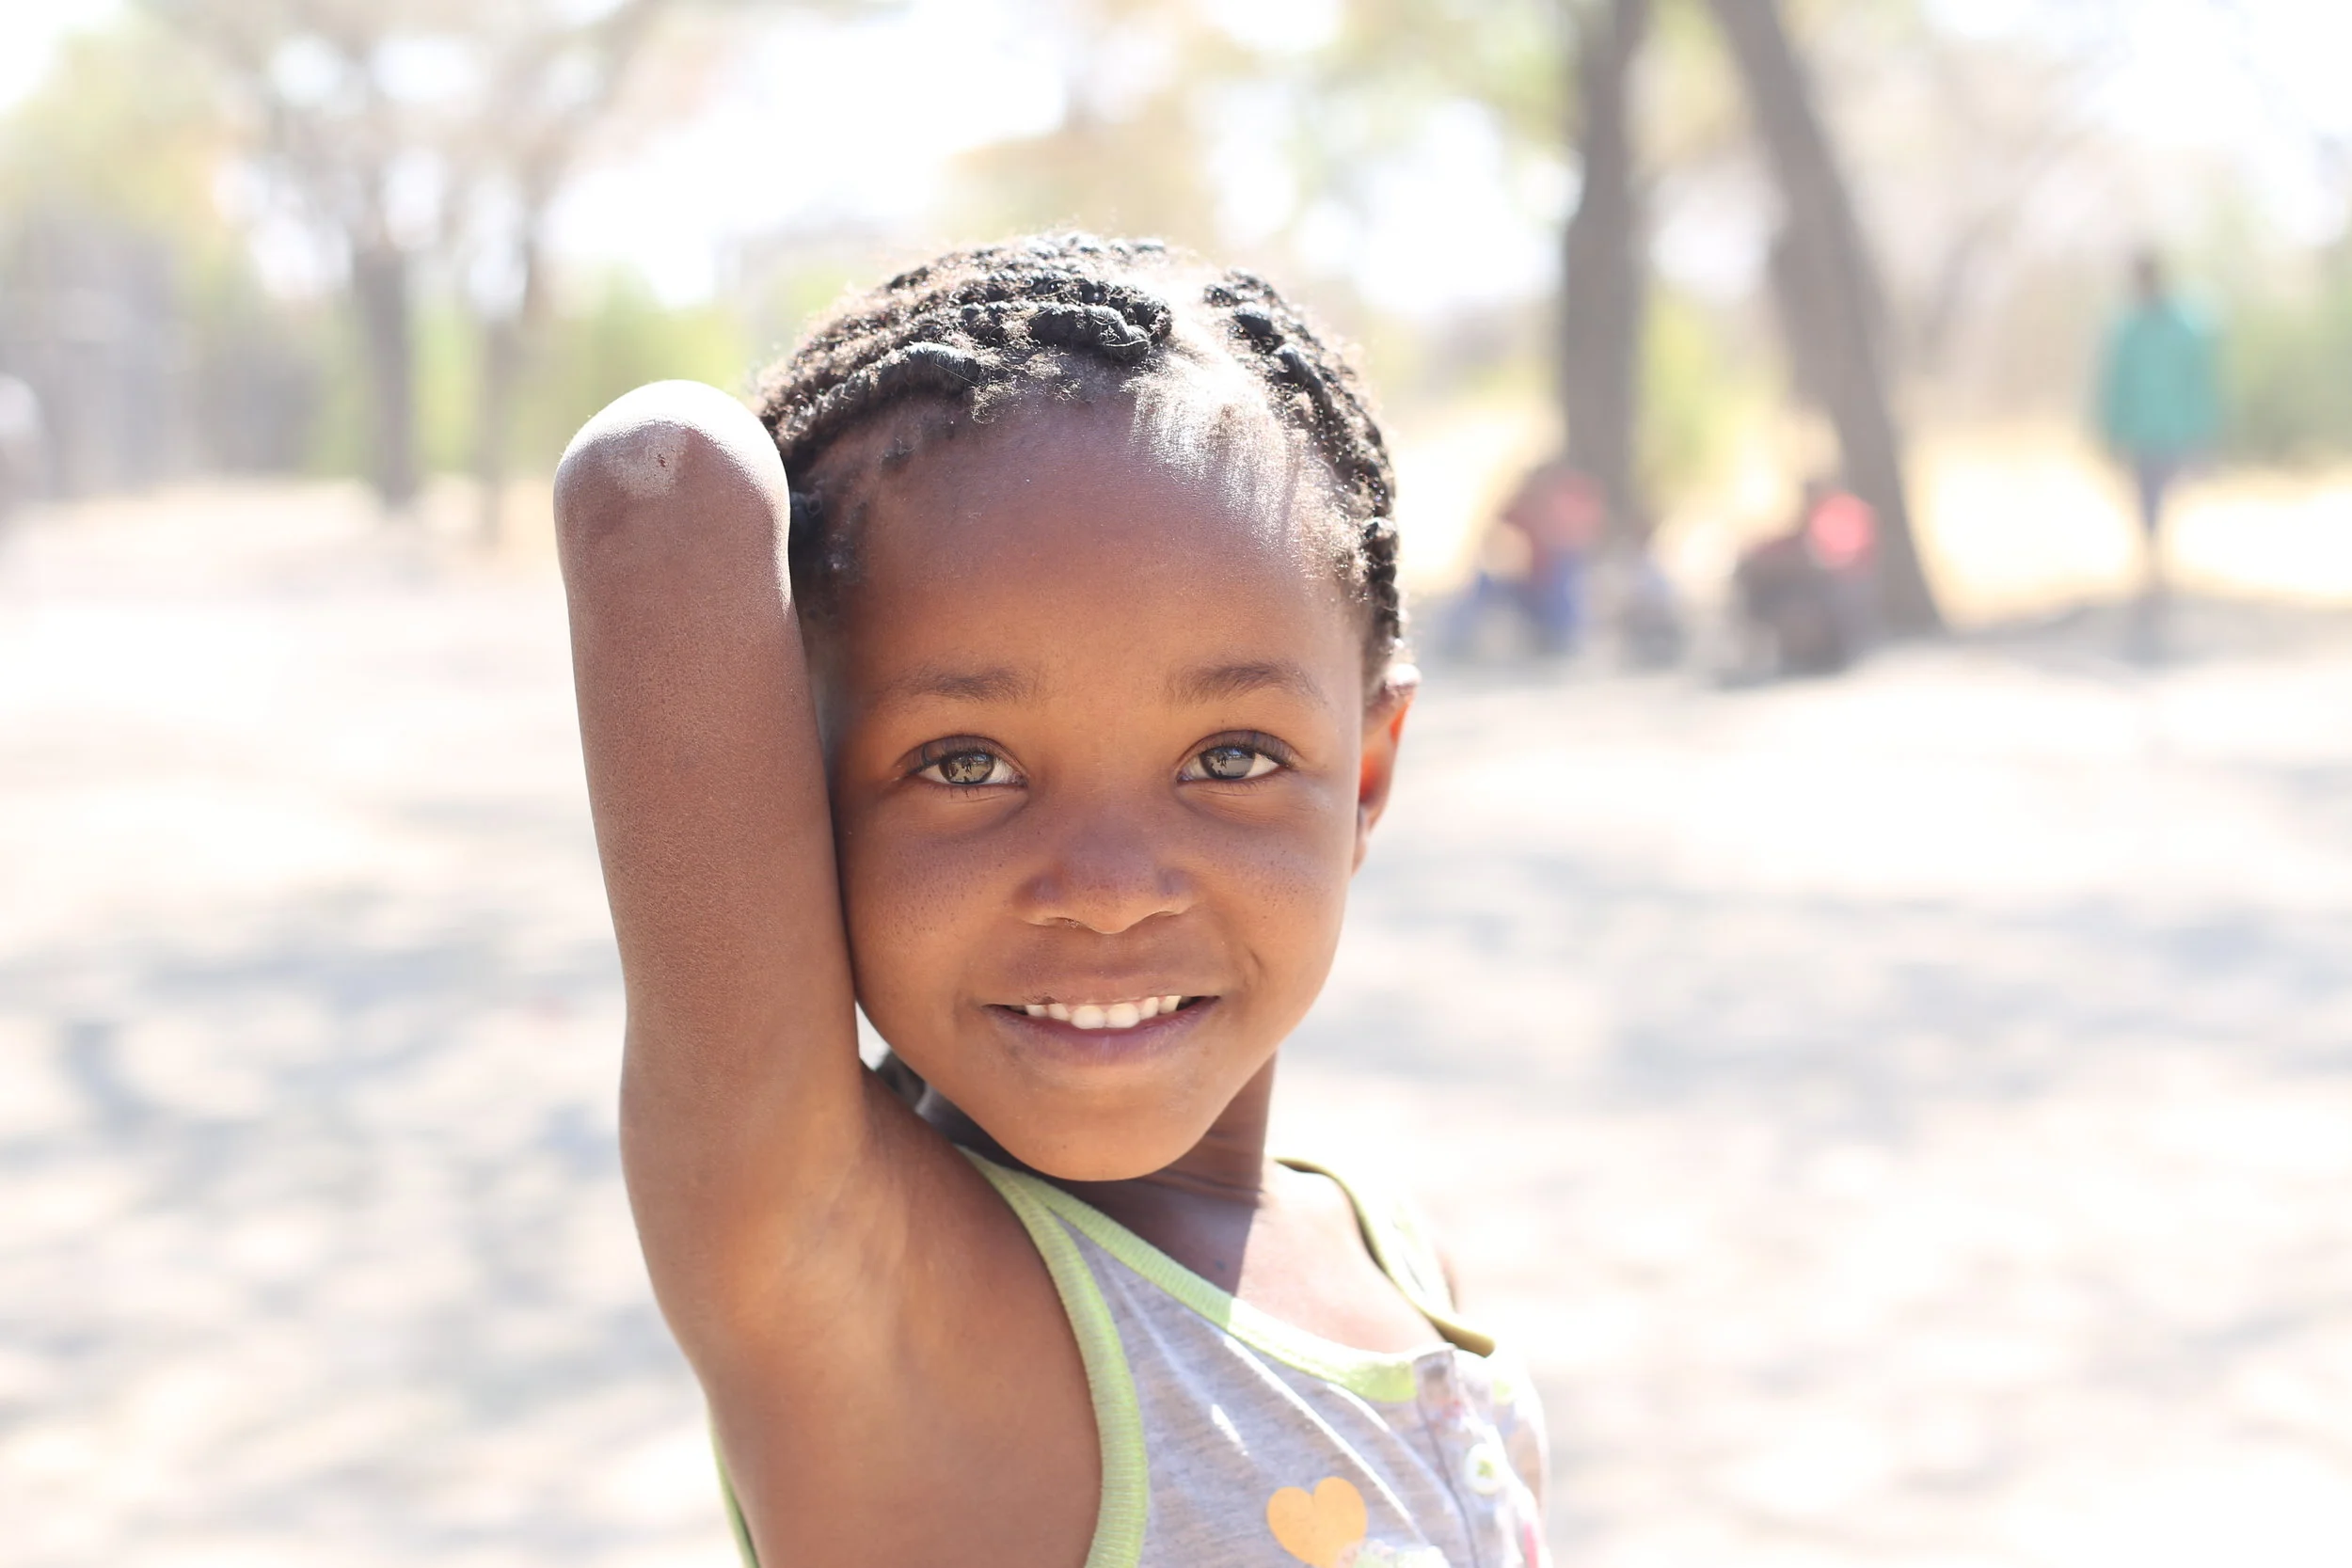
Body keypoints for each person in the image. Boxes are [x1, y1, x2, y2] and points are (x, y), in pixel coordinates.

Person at [554, 235, 1549, 1568]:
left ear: (1366, 774)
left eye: (1231, 757)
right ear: (800, 793)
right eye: (966, 764)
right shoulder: (881, 1304)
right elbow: (658, 478)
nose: (1110, 892)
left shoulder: (1390, 1254)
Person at [2096, 250, 2218, 604]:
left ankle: (2159, 561)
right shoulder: (2127, 329)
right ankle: (2152, 563)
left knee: (2165, 495)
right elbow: (2114, 385)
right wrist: (2110, 432)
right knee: (2145, 496)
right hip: (2139, 431)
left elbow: (2198, 382)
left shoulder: (2185, 326)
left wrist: (2203, 430)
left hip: (2174, 428)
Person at [1450, 459, 1603, 656]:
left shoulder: (1567, 504)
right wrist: (1506, 556)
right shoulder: (1522, 504)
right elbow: (1492, 531)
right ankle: (1458, 637)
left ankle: (1559, 638)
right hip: (1525, 580)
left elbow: (1586, 537)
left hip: (1552, 583)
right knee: (1485, 581)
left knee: (1564, 577)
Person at [1731, 474, 1877, 676]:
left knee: (1793, 595)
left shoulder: (1842, 513)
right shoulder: (1812, 517)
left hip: (1836, 585)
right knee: (1760, 581)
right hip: (1809, 583)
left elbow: (1832, 555)